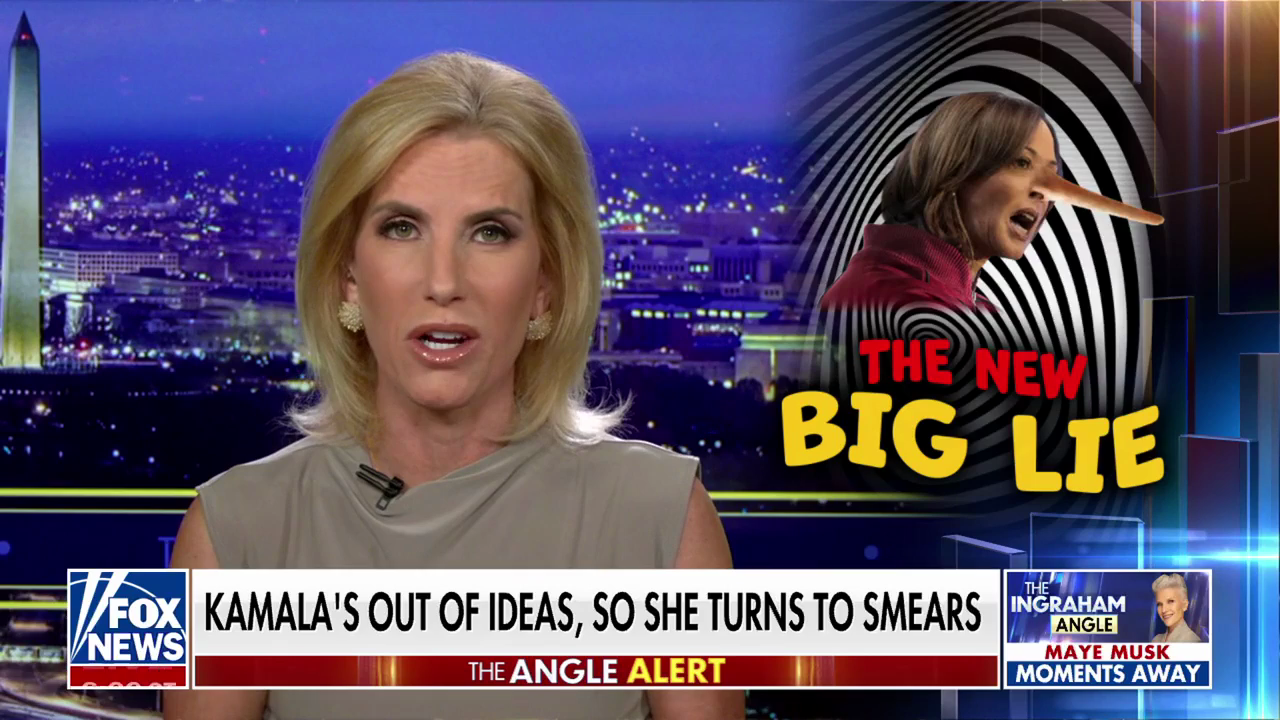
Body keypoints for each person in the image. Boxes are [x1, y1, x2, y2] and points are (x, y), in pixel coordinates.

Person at [163, 51, 742, 720]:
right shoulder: (229, 529)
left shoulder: (665, 517)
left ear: (546, 285)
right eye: (401, 228)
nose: (443, 281)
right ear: (348, 278)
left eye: (490, 232)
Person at [820, 92, 1163, 312]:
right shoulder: (883, 300)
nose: (1048, 192)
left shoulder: (973, 309)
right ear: (953, 170)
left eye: (1052, 175)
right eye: (1022, 162)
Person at [1151, 573, 1202, 643]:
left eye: (1170, 601)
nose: (1164, 610)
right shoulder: (1156, 640)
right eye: (1159, 604)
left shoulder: (1192, 641)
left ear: (1185, 605)